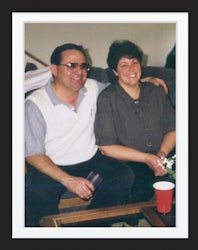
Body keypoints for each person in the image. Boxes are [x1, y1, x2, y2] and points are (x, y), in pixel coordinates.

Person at [25, 43, 168, 227]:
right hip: (51, 165)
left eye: (83, 66)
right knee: (36, 195)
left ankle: (89, 229)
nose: (79, 71)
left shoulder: (93, 88)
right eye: (71, 66)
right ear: (54, 69)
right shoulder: (35, 104)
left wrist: (144, 81)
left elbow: (122, 86)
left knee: (123, 175)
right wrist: (68, 180)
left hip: (91, 160)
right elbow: (33, 154)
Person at [94, 40, 176, 206]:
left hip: (163, 155)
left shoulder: (156, 91)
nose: (131, 69)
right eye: (123, 65)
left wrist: (161, 154)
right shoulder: (107, 99)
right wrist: (147, 158)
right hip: (130, 161)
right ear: (115, 71)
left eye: (134, 63)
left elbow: (173, 128)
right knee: (139, 181)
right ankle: (130, 226)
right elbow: (106, 147)